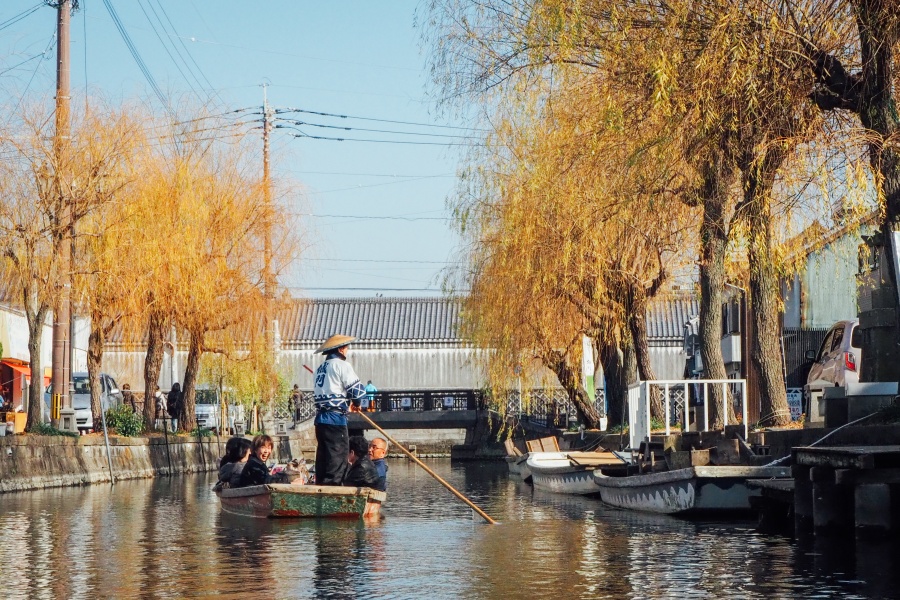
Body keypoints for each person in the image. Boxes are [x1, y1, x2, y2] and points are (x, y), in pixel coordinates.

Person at [312, 334, 367, 485]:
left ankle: (320, 485)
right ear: (342, 349)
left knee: (323, 456)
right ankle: (332, 488)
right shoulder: (342, 366)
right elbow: (358, 392)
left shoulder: (319, 369)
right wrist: (356, 402)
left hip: (321, 420)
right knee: (338, 457)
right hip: (335, 419)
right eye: (347, 348)